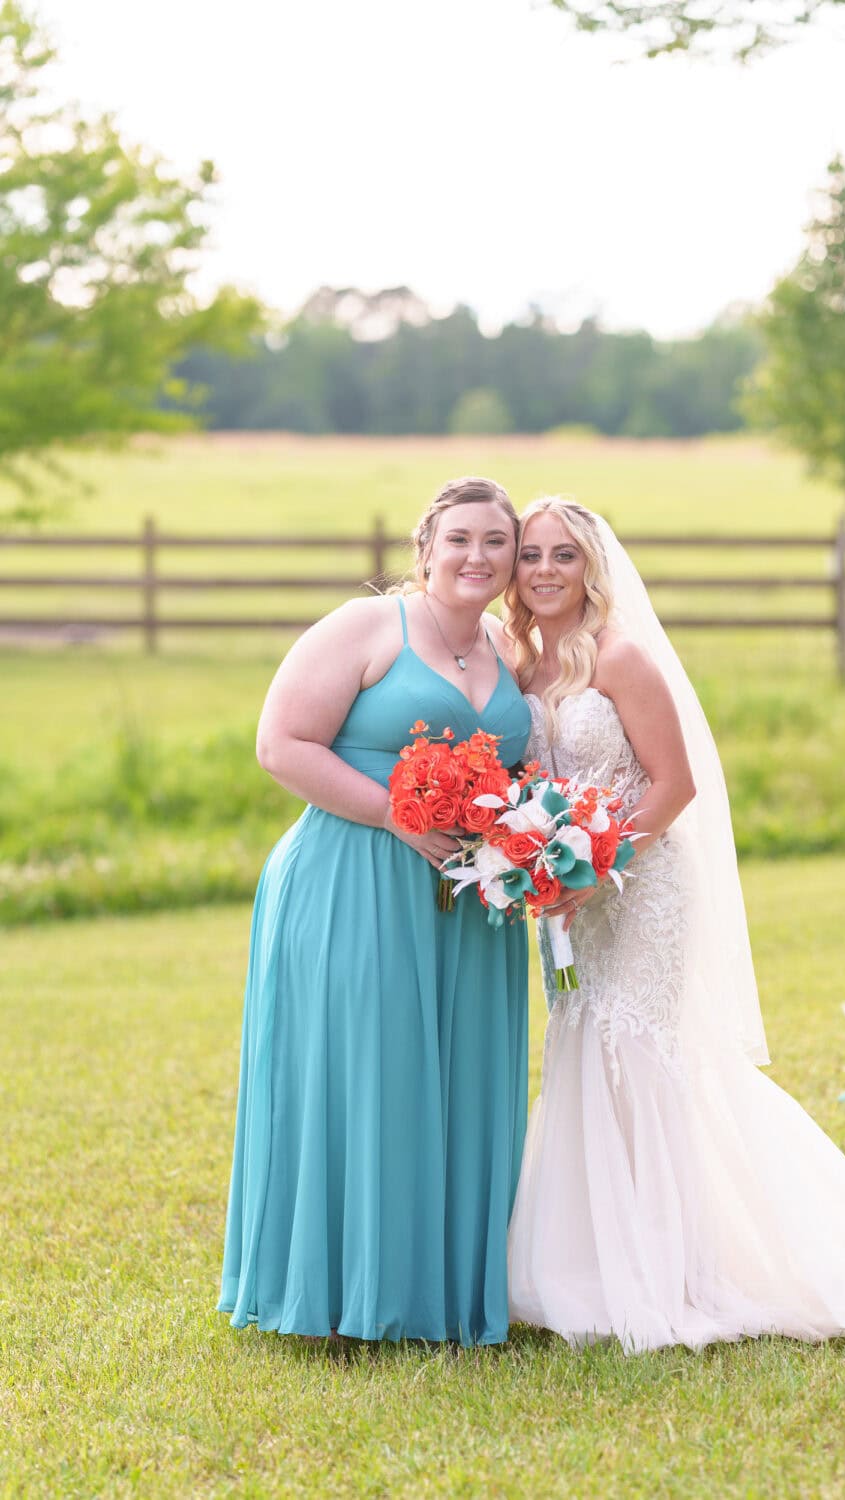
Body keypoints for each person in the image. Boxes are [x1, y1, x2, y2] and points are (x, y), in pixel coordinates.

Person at [504, 496, 845, 1360]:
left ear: (592, 567)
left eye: (564, 556)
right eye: (532, 556)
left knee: (638, 1053)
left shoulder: (621, 658)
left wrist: (596, 865)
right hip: (567, 902)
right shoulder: (522, 670)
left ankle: (671, 1273)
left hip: (640, 886)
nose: (545, 571)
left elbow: (673, 783)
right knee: (581, 1049)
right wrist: (541, 867)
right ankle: (590, 1264)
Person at [218, 476, 531, 1345]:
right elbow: (280, 744)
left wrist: (535, 838)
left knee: (459, 1080)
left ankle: (446, 1297)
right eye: (460, 539)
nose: (477, 556)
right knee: (365, 1076)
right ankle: (339, 1302)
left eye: (496, 543)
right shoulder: (366, 627)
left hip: (472, 900)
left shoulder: (508, 647)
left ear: (511, 560)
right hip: (352, 878)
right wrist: (397, 814)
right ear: (425, 547)